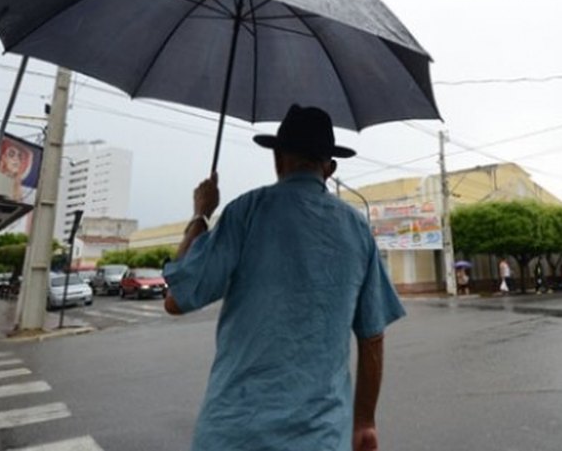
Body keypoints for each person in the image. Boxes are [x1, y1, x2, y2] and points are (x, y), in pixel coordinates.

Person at [163, 104, 405, 451]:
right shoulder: (358, 230)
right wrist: (365, 422)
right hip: (320, 439)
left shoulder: (245, 212)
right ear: (330, 167)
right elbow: (372, 340)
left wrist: (201, 214)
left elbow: (176, 300)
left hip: (233, 435)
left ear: (277, 158)